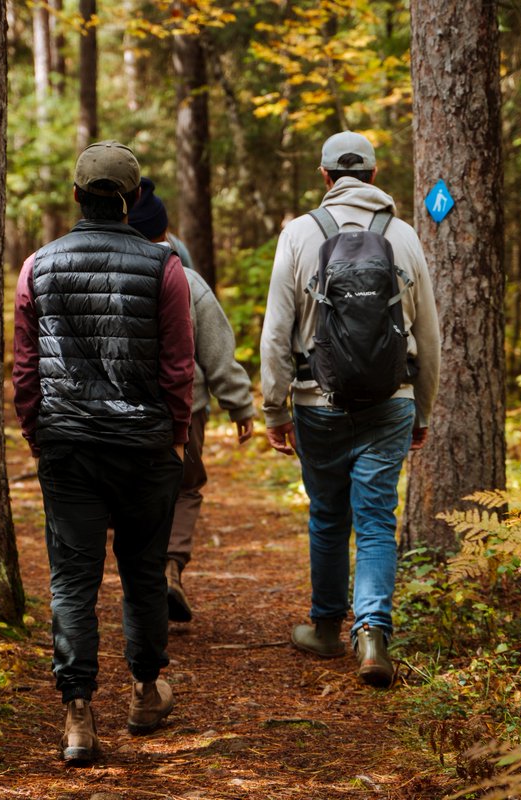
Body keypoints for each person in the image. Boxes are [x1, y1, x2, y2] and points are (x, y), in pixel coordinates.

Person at [12, 141, 195, 763]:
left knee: (72, 580)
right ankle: (144, 693)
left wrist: (38, 431)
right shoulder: (165, 266)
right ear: (134, 197)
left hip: (68, 447)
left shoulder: (38, 266)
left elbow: (25, 367)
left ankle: (77, 715)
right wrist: (176, 435)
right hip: (145, 448)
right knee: (143, 573)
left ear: (76, 195)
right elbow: (178, 365)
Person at [259, 131, 440, 687]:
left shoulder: (298, 234)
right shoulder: (404, 236)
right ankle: (373, 635)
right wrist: (423, 410)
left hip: (317, 401)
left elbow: (276, 331)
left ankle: (325, 628)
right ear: (374, 175)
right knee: (377, 520)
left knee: (328, 515)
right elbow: (429, 335)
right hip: (391, 401)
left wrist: (274, 408)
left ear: (325, 176)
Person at [129, 178, 256, 622]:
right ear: (164, 232)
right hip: (185, 410)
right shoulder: (186, 279)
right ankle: (169, 567)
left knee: (132, 492)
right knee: (184, 488)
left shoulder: (110, 274)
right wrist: (240, 406)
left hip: (122, 409)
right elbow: (217, 353)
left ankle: (141, 580)